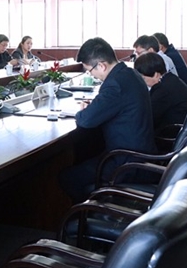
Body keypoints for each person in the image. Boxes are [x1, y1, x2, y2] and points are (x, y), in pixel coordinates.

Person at [59, 37, 155, 203]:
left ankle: (94, 212)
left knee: (68, 178)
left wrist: (84, 111)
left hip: (128, 162)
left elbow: (85, 120)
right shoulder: (130, 73)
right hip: (142, 154)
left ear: (101, 65)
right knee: (86, 155)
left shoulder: (115, 84)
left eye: (90, 70)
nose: (92, 75)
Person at [134, 52, 187, 130]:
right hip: (175, 127)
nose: (142, 82)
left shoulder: (163, 90)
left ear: (156, 75)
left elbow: (146, 117)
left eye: (143, 78)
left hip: (169, 132)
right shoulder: (170, 79)